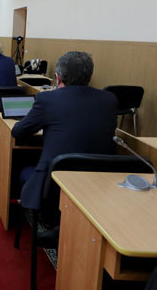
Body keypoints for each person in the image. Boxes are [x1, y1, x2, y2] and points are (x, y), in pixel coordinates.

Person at [12, 51, 118, 214]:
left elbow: (19, 132)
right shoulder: (109, 99)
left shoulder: (47, 99)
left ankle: (31, 212)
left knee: (21, 164)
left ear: (58, 77)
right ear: (90, 76)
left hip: (56, 182)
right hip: (98, 180)